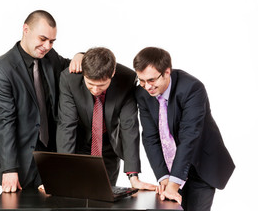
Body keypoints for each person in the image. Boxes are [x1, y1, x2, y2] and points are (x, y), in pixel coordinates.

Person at [0, 10, 83, 192]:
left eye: (52, 41)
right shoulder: (1, 69)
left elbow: (69, 65)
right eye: (43, 39)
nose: (47, 46)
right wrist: (9, 168)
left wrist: (80, 55)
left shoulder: (50, 57)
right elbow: (4, 121)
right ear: (26, 30)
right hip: (20, 157)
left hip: (50, 154)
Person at [133, 47, 235, 210]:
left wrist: (173, 186)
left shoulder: (192, 88)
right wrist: (164, 178)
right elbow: (150, 137)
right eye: (142, 80)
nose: (147, 86)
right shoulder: (142, 93)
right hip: (170, 166)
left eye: (151, 80)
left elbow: (189, 138)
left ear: (167, 72)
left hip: (200, 165)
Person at [56, 47, 156, 190]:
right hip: (78, 146)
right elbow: (67, 125)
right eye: (90, 84)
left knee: (105, 197)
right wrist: (62, 173)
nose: (96, 91)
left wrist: (133, 177)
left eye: (101, 86)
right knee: (72, 194)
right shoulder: (69, 78)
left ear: (113, 73)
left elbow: (129, 126)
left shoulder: (126, 79)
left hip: (109, 147)